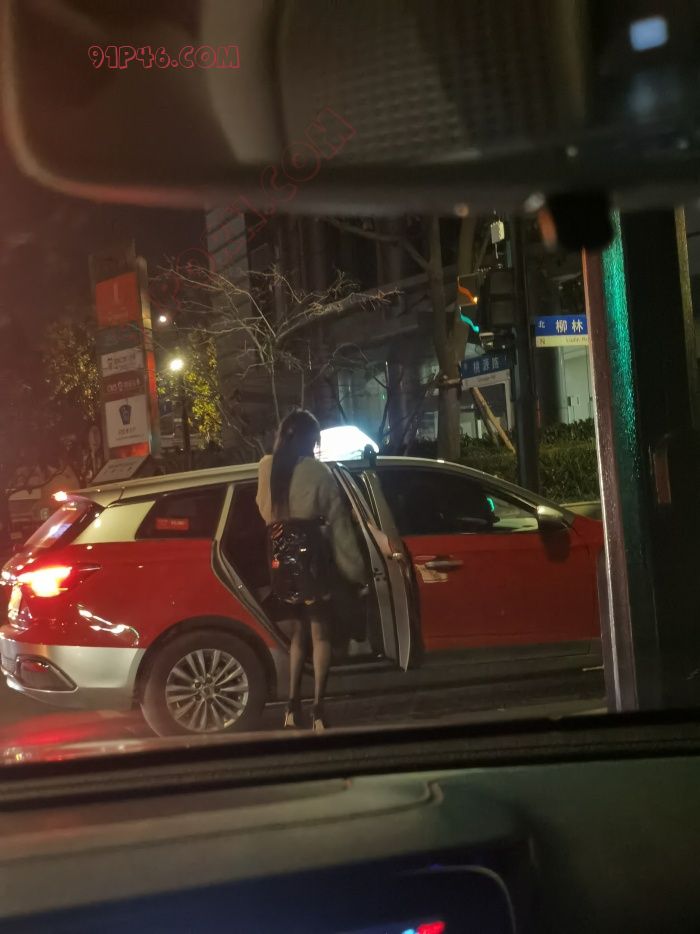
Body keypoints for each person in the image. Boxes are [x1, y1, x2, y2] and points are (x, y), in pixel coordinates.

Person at [256, 410, 367, 731]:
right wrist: (356, 570)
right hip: (312, 562)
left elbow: (263, 511)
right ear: (310, 439)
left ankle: (291, 708)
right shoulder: (319, 472)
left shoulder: (266, 467)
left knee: (298, 635)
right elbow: (340, 525)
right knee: (321, 635)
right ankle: (318, 709)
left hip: (281, 564)